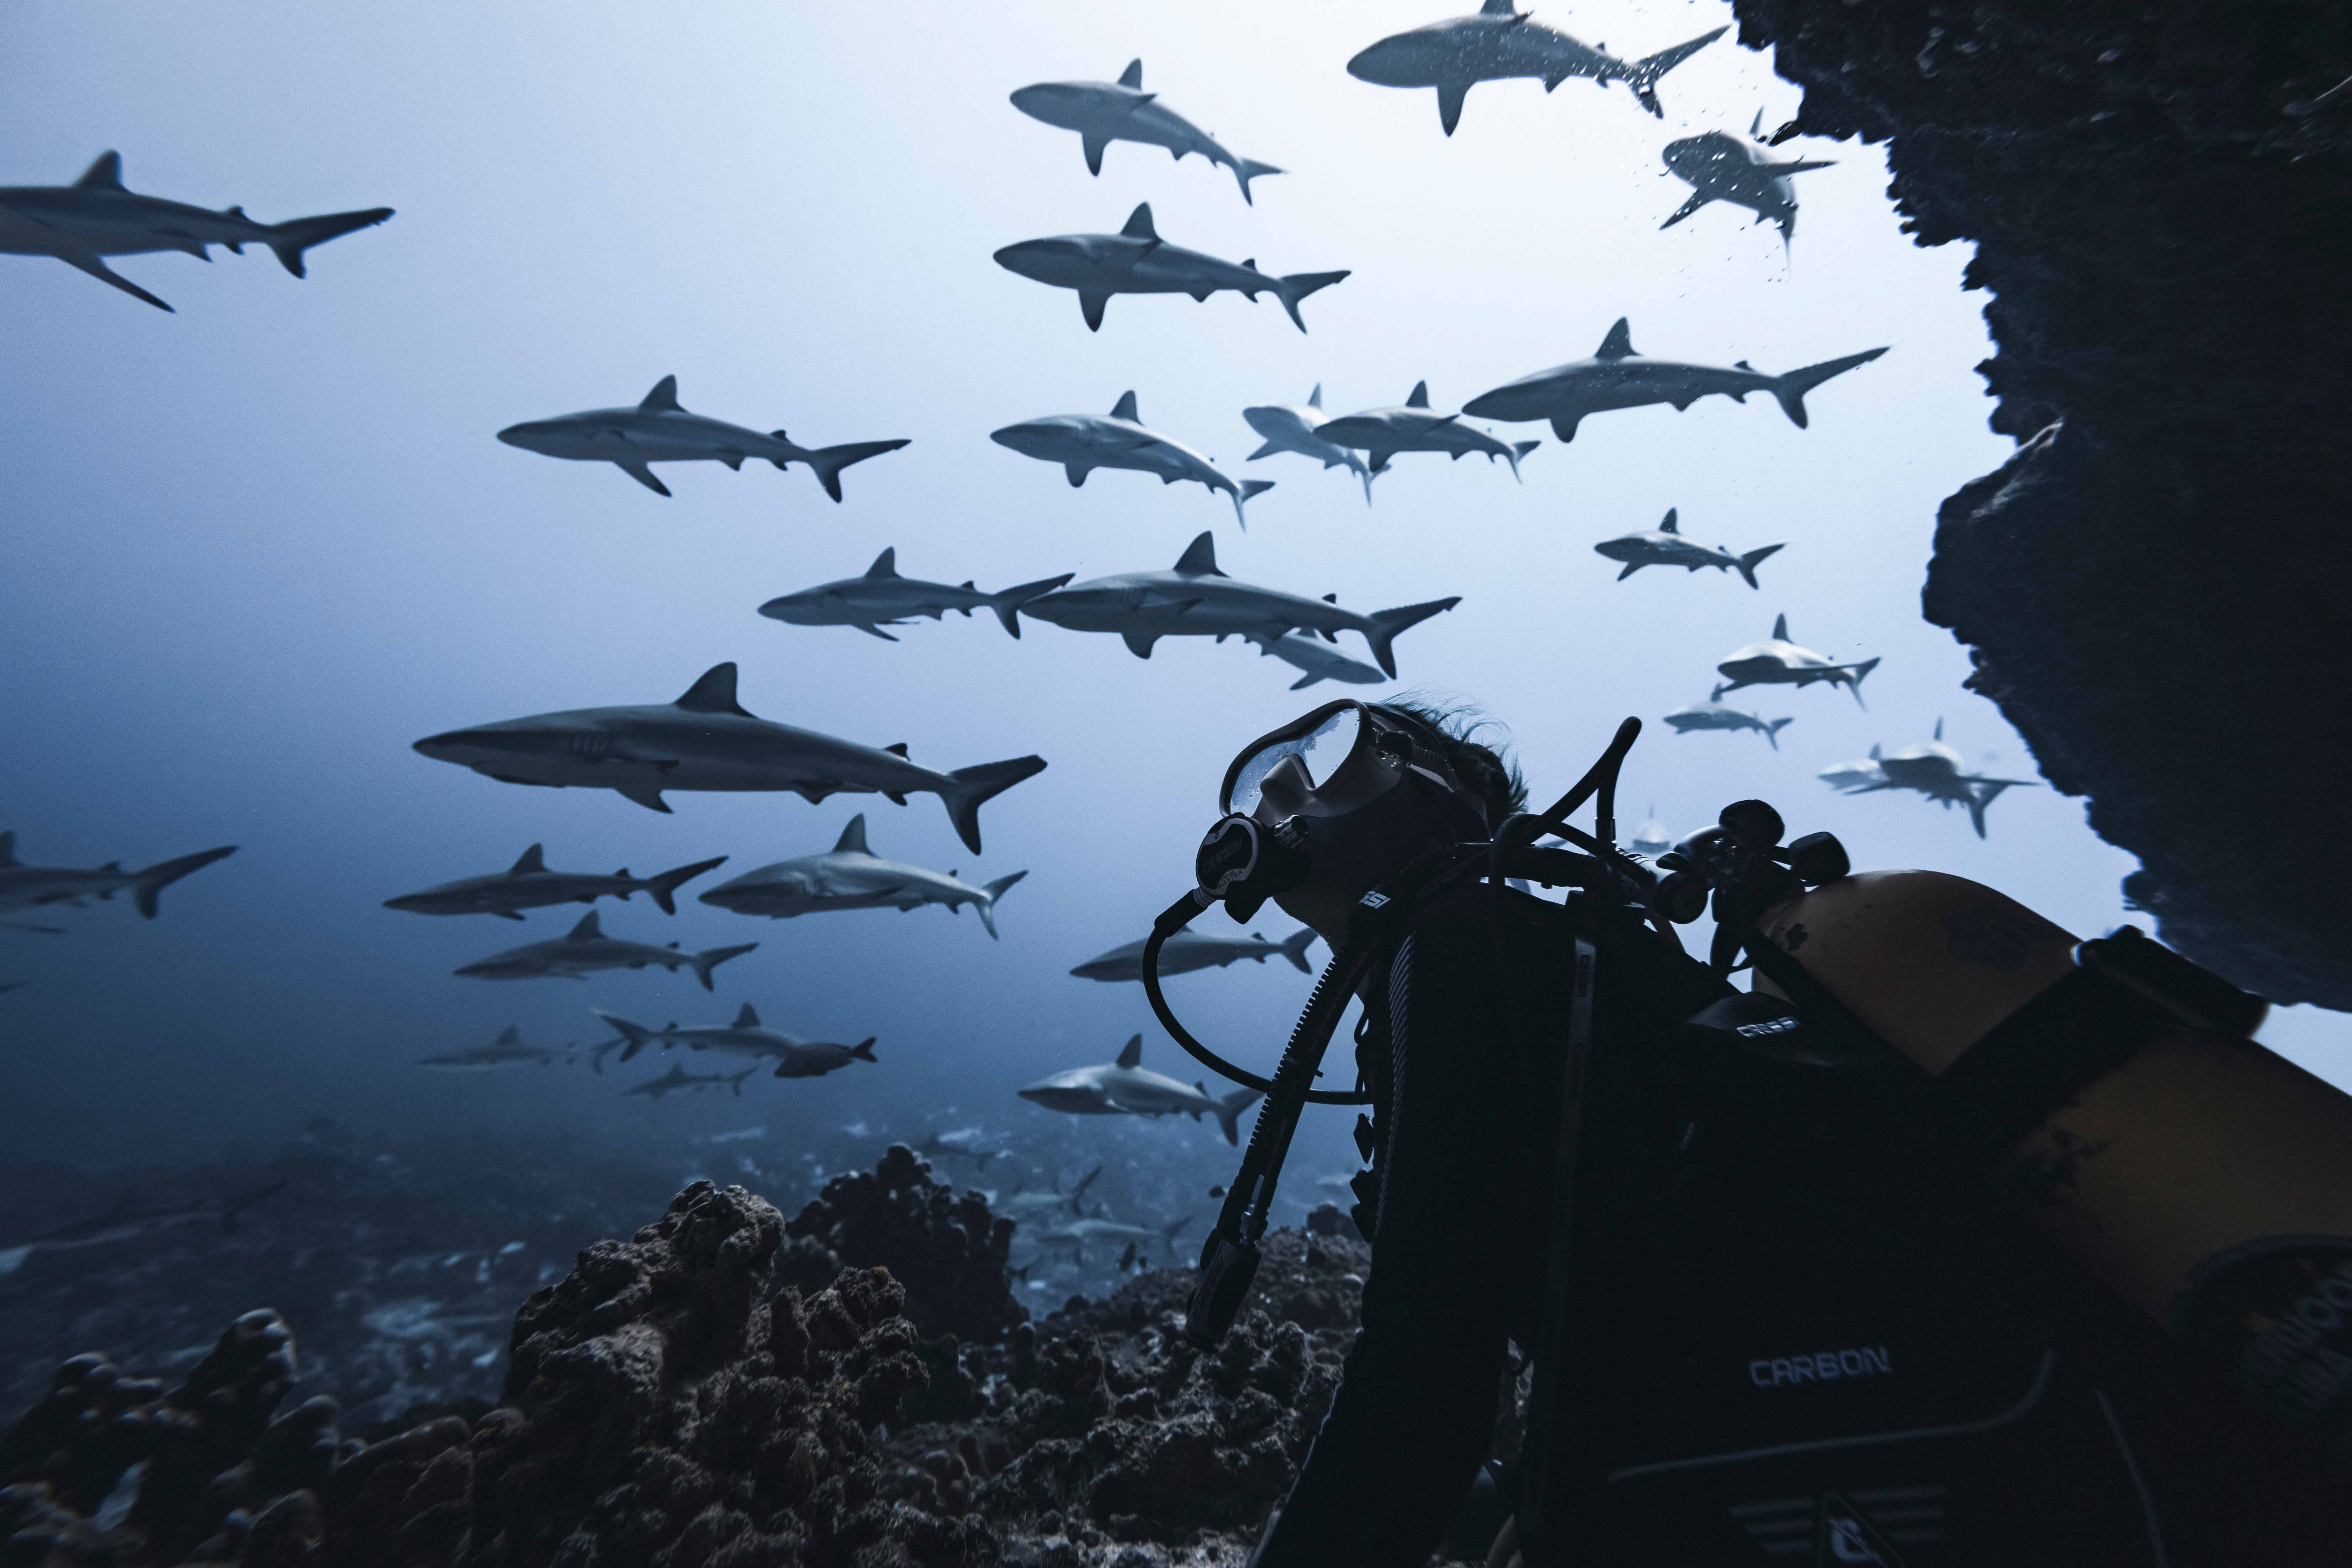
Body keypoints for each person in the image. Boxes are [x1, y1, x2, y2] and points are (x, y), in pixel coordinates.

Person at [1222, 699, 2192, 1567]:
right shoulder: (1571, 964)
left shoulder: (1461, 947)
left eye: (1329, 751)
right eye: (1264, 783)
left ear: (1448, 792)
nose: (1274, 787)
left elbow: (1421, 1397)